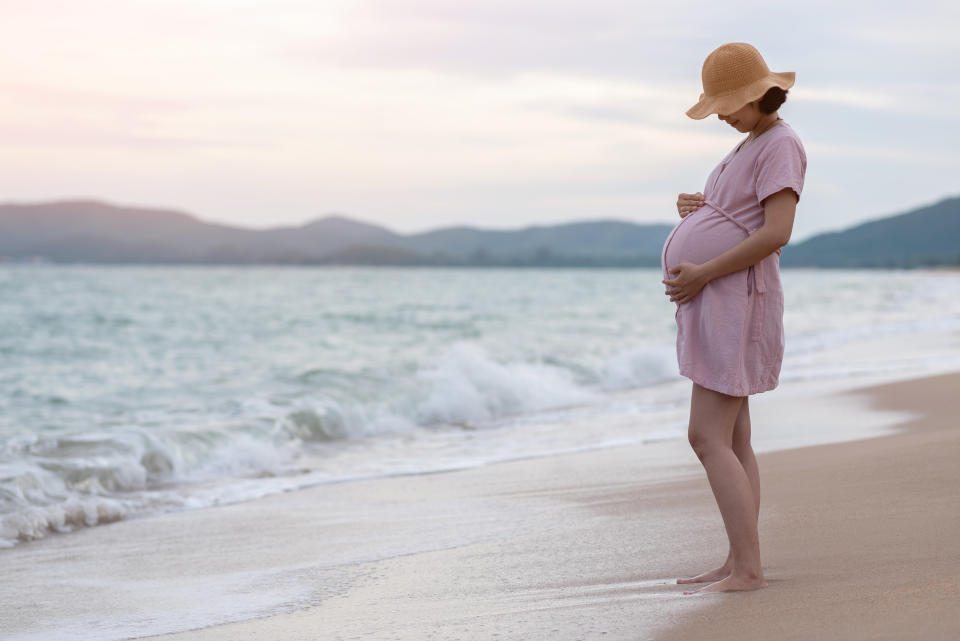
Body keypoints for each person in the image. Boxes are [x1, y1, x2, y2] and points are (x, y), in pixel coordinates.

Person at [660, 42, 807, 594]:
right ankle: (739, 560)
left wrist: (702, 272)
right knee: (735, 437)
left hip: (736, 299)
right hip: (721, 299)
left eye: (728, 104)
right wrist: (699, 210)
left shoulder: (782, 144)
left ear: (759, 94)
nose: (720, 114)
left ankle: (748, 569)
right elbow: (743, 216)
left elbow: (776, 232)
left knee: (705, 436)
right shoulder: (752, 143)